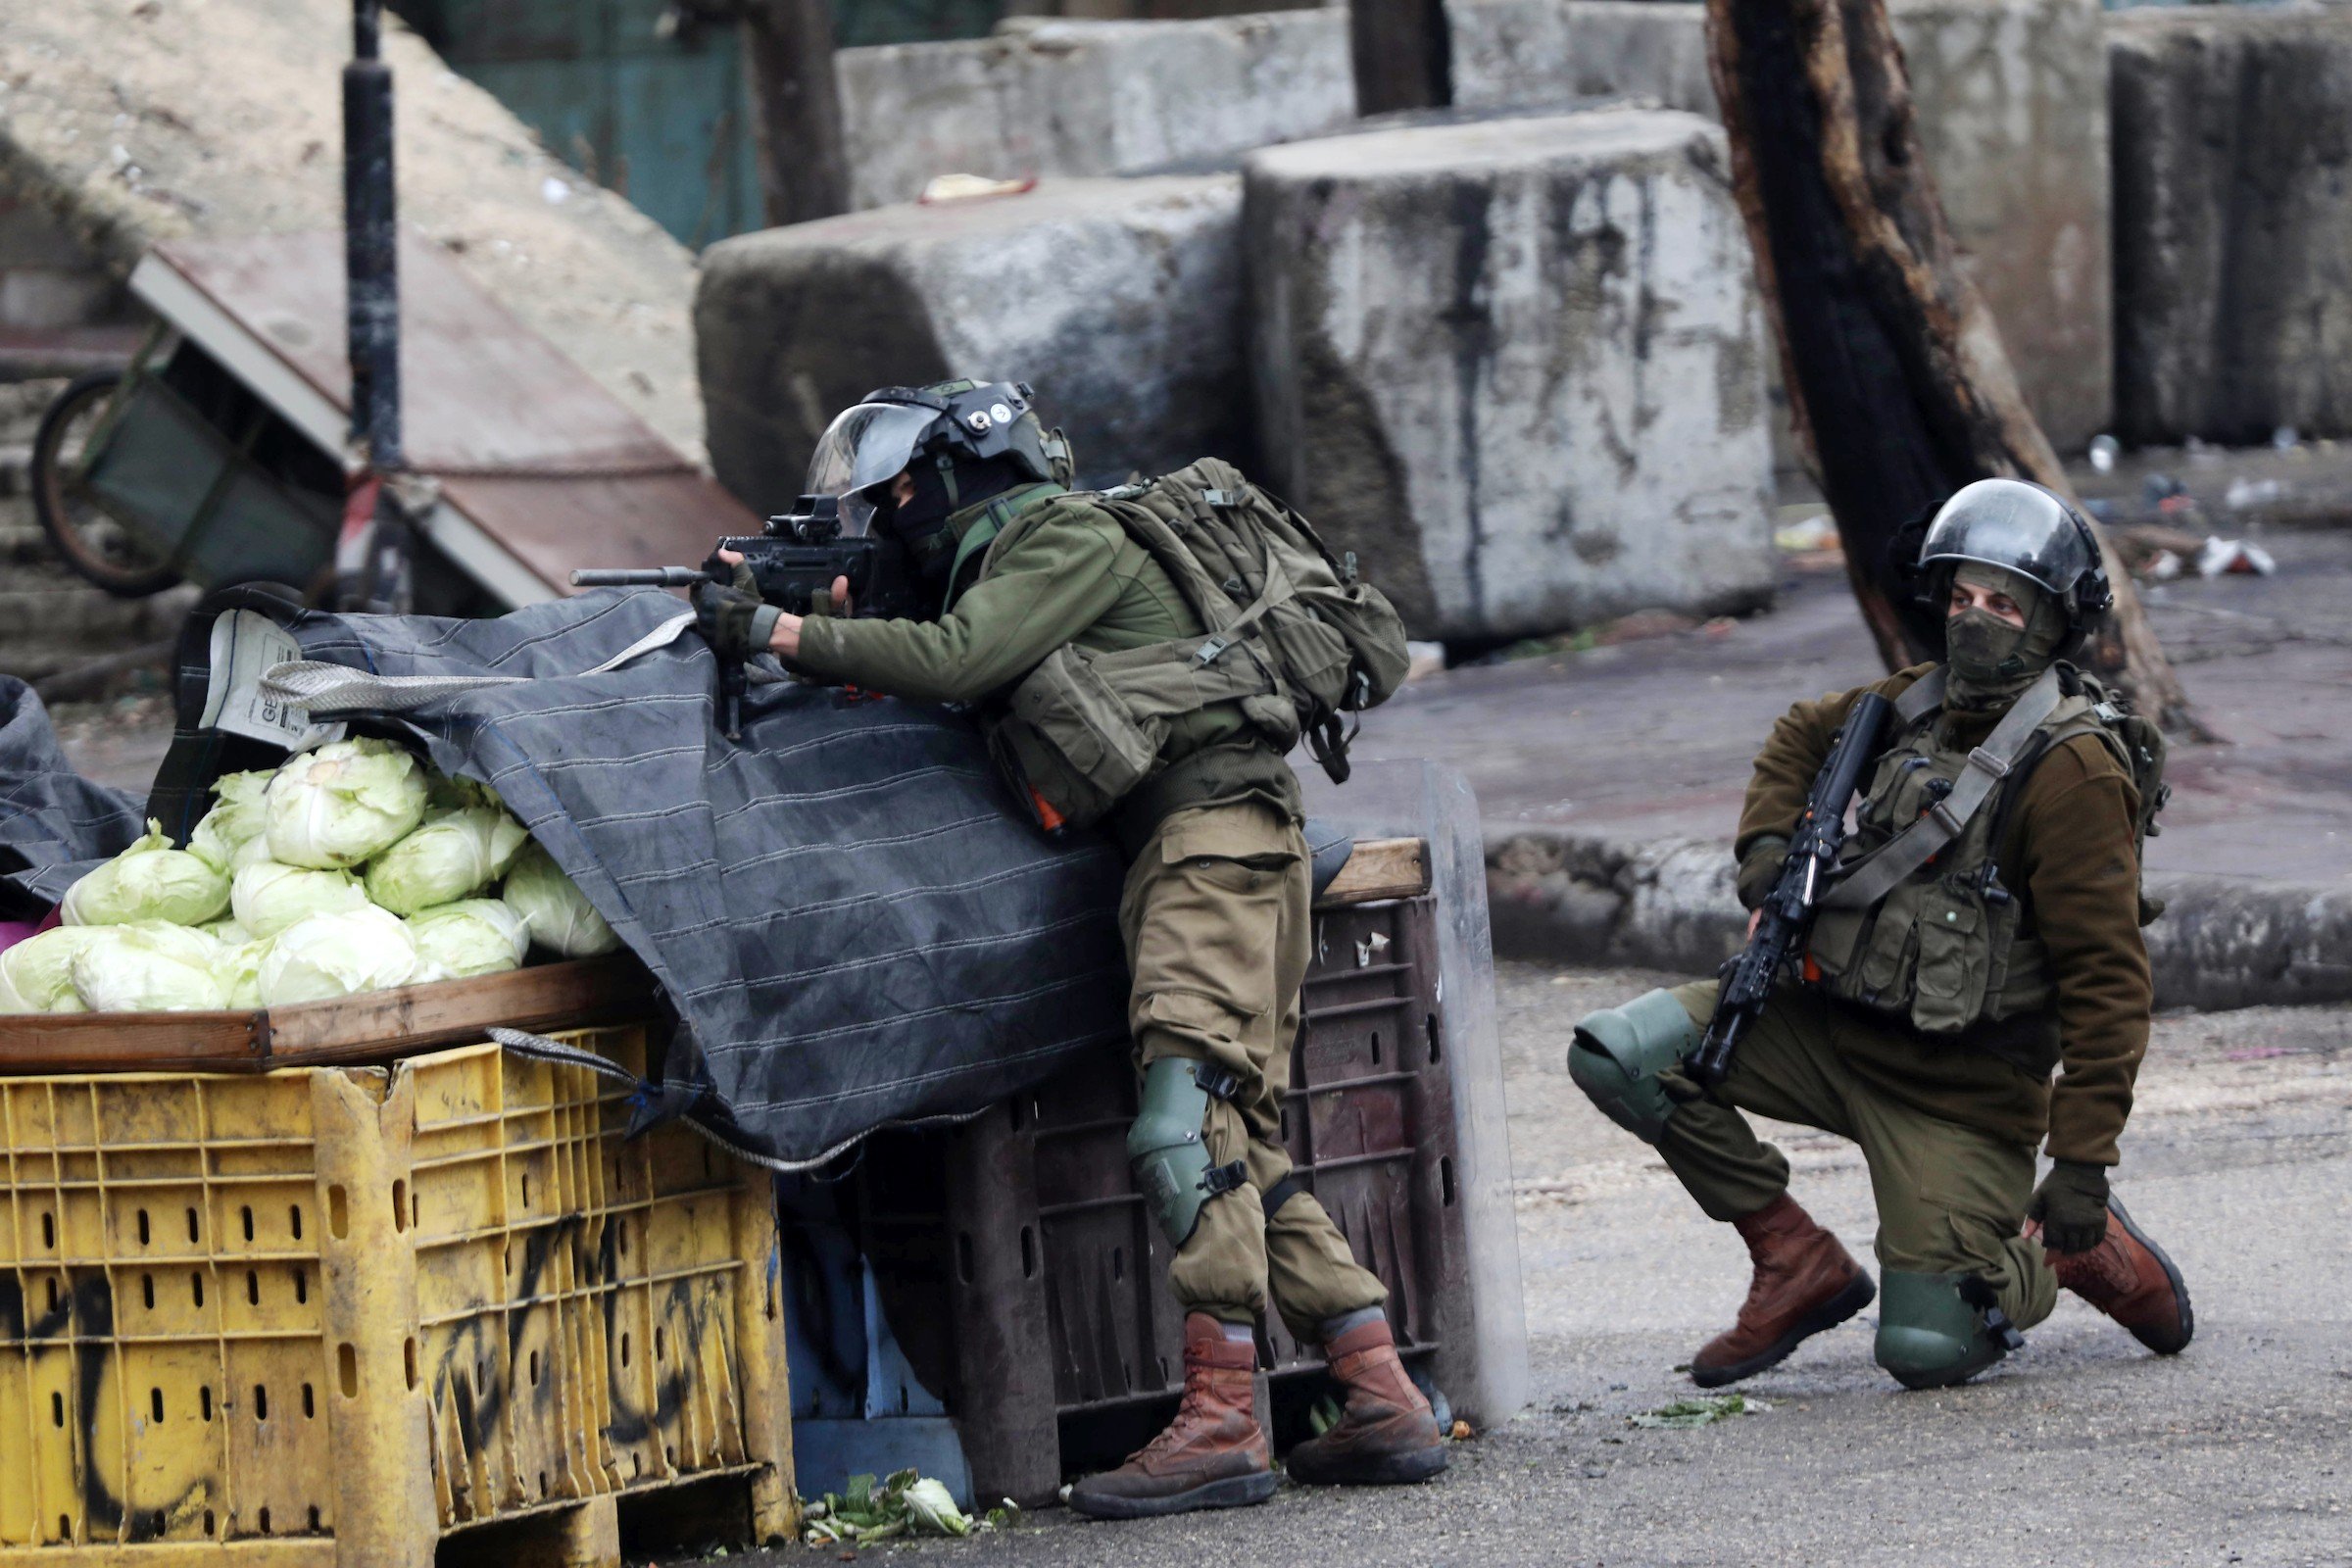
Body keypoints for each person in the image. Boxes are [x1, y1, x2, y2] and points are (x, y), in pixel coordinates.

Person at [693, 379, 1444, 1515]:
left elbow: (957, 658)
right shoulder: (1024, 565)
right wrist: (831, 621)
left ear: (966, 472)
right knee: (1234, 1137)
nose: (893, 514)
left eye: (902, 491)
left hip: (1213, 847)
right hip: (1206, 852)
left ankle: (1224, 1422)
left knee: (1181, 1127)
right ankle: (1378, 1387)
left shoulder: (1062, 536)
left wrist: (775, 630)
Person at [1568, 478, 2192, 1392]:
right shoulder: (1912, 704)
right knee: (1619, 1056)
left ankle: (2065, 1253)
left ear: (2053, 622)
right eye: (1963, 597)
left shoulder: (2074, 772)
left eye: (2004, 605)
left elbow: (2109, 987)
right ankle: (1794, 1258)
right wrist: (1769, 864)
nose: (1974, 620)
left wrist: (2082, 1167)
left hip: (1961, 1097)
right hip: (1829, 1029)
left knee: (1927, 1351)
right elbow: (1797, 736)